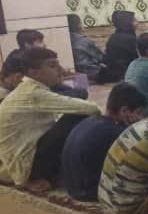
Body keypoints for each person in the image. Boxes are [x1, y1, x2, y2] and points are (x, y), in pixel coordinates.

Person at [0, 48, 101, 192]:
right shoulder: (33, 93)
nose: (60, 69)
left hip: (15, 162)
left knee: (74, 111)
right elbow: (92, 108)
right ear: (35, 73)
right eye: (52, 66)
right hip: (24, 167)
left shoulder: (31, 87)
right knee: (78, 115)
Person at [60, 83, 147, 201]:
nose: (141, 119)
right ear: (124, 110)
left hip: (72, 187)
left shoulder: (91, 120)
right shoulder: (116, 133)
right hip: (89, 191)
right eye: (139, 113)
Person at [97, 10, 139, 83]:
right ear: (126, 23)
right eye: (134, 20)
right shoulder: (131, 39)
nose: (137, 23)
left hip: (111, 74)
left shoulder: (113, 37)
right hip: (125, 74)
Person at [68, 14, 106, 81]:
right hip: (91, 72)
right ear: (78, 25)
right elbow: (101, 57)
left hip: (76, 72)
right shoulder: (84, 41)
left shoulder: (66, 40)